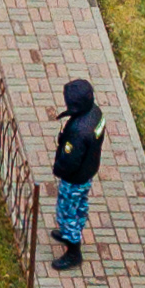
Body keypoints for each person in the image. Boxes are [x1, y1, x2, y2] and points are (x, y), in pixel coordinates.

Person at [47, 80, 104, 271]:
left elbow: (70, 161)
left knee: (67, 211)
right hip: (87, 171)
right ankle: (71, 232)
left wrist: (59, 169)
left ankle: (73, 251)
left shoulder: (79, 131)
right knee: (79, 205)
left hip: (74, 178)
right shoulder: (95, 112)